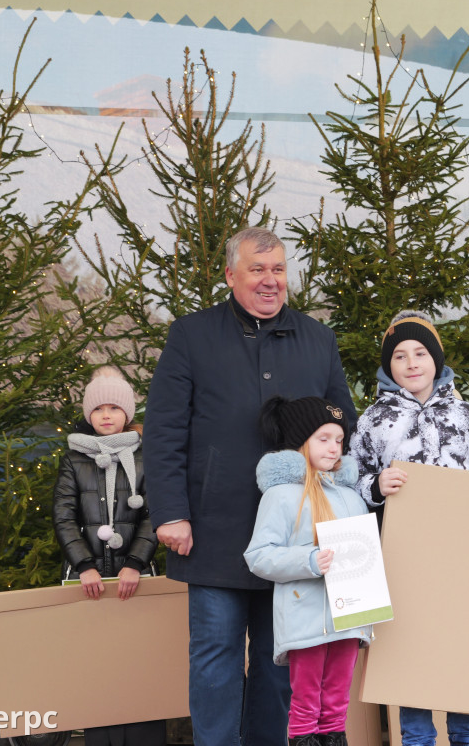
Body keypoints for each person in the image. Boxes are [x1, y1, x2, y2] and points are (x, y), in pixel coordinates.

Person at [143, 227, 357, 746]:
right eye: (257, 270)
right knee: (215, 654)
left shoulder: (317, 338)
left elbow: (342, 431)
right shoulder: (191, 335)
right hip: (214, 527)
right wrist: (171, 512)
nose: (270, 281)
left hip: (298, 536)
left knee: (279, 656)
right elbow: (164, 429)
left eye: (278, 269)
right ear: (230, 275)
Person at [349, 309, 469, 746]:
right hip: (405, 562)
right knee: (413, 656)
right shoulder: (372, 421)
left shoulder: (467, 417)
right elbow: (352, 483)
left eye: (420, 352)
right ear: (388, 366)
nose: (412, 363)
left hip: (465, 562)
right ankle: (417, 739)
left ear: (437, 359)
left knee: (464, 654)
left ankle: (466, 737)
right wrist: (377, 484)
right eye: (399, 356)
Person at [244, 396, 373, 746]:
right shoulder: (282, 496)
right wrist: (310, 561)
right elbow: (259, 556)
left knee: (336, 700)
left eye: (339, 440)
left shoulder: (351, 495)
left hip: (349, 615)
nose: (334, 448)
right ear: (302, 440)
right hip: (305, 617)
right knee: (305, 702)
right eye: (323, 438)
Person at [52, 366, 166, 746]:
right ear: (88, 415)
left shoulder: (147, 457)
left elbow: (154, 515)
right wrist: (84, 565)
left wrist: (134, 563)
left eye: (114, 408)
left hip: (138, 577)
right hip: (86, 580)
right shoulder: (73, 459)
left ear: (127, 414)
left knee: (142, 665)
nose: (106, 415)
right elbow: (64, 516)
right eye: (98, 408)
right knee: (95, 668)